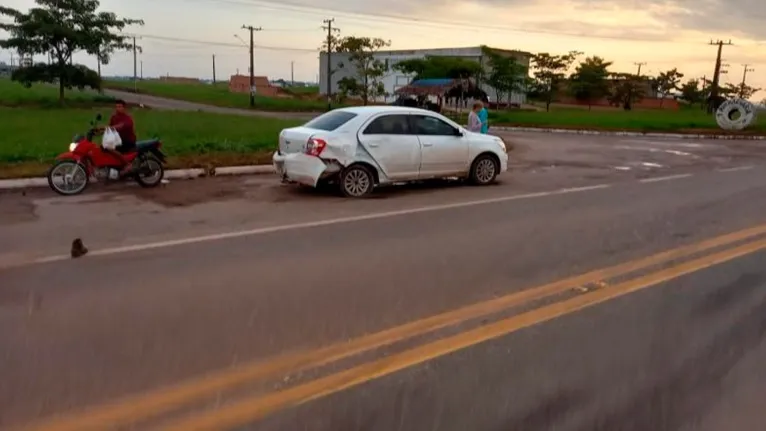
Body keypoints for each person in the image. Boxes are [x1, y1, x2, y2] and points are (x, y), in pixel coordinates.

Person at [102, 99, 137, 176]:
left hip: (128, 141)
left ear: (124, 108)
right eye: (117, 107)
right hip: (118, 140)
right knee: (102, 147)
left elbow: (120, 126)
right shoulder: (114, 117)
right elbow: (109, 127)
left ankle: (127, 164)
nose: (118, 108)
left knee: (109, 148)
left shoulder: (127, 118)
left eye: (120, 107)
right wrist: (98, 131)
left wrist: (109, 128)